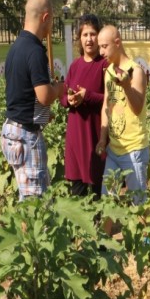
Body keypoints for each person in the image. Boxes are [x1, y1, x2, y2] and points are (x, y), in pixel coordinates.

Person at [0, 0, 65, 201]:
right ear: (45, 18)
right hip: (26, 136)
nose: (51, 27)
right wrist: (59, 88)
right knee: (34, 203)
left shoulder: (16, 48)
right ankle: (30, 235)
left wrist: (44, 116)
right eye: (52, 21)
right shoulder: (35, 51)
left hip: (12, 130)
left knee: (29, 194)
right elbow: (44, 95)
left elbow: (22, 94)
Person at [95, 25, 149, 205]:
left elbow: (137, 108)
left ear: (117, 43)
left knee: (138, 204)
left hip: (134, 150)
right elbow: (106, 106)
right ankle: (104, 234)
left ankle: (146, 234)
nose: (101, 51)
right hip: (114, 149)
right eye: (99, 46)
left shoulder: (136, 71)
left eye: (104, 46)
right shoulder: (109, 71)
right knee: (108, 202)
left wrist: (126, 86)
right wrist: (103, 139)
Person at [60, 14, 108, 199]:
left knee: (98, 185)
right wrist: (69, 100)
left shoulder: (104, 65)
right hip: (76, 134)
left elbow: (110, 99)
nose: (89, 39)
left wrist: (87, 96)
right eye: (85, 34)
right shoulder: (75, 66)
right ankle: (78, 227)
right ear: (79, 38)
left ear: (99, 37)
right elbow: (63, 95)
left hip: (95, 133)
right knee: (77, 188)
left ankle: (98, 225)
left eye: (93, 34)